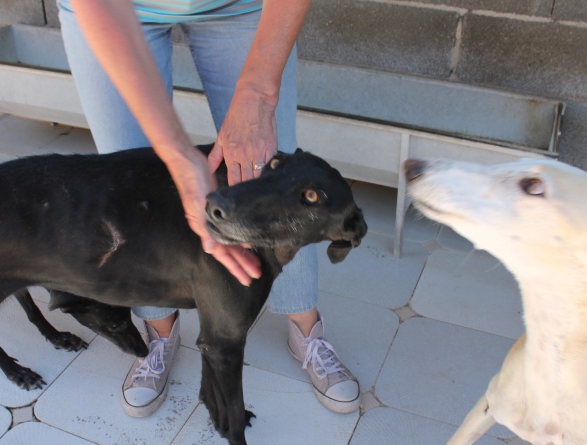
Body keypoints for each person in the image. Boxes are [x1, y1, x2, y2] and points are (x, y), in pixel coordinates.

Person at [58, 0, 361, 417]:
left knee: (279, 176)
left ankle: (305, 327)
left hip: (241, 8)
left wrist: (258, 92)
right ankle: (159, 332)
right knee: (127, 190)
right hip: (115, 10)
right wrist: (179, 157)